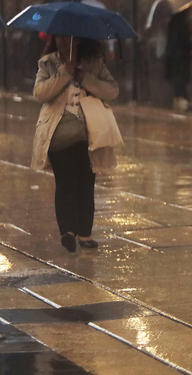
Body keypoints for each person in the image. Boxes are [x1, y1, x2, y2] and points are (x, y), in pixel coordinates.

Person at [31, 35, 119, 253]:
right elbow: (39, 93)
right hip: (59, 136)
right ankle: (68, 232)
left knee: (86, 185)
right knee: (66, 185)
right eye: (59, 36)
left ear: (78, 40)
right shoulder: (48, 63)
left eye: (69, 37)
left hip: (88, 136)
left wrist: (85, 78)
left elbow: (112, 90)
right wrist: (64, 73)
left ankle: (85, 233)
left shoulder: (93, 63)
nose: (63, 41)